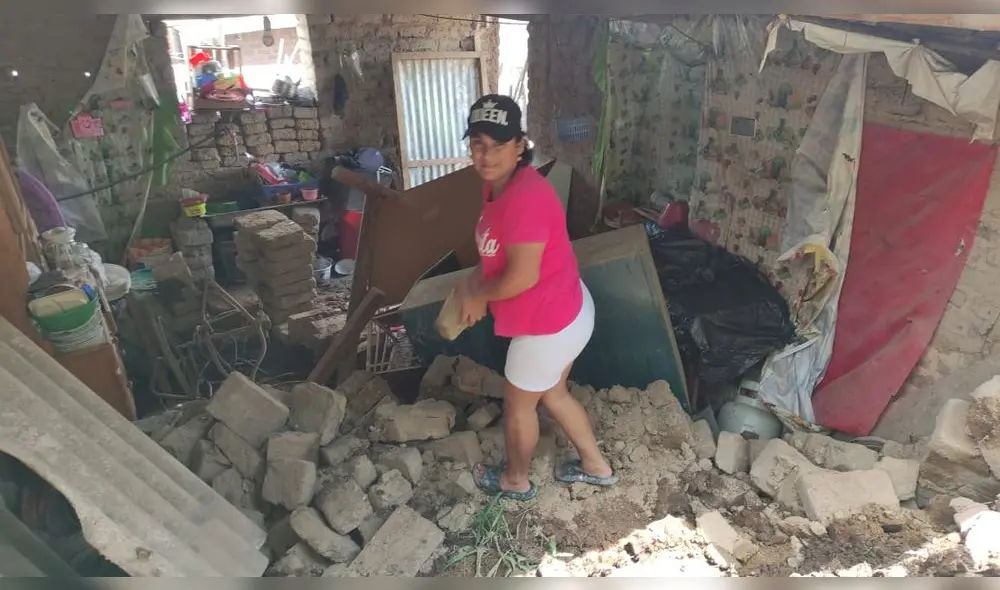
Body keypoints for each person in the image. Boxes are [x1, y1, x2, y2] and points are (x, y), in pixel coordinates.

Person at [455, 94, 617, 501]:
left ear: (519, 146)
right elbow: (497, 254)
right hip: (567, 308)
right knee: (554, 394)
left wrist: (479, 297)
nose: (486, 155)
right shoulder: (499, 187)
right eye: (478, 144)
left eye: (498, 145)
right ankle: (596, 467)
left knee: (519, 407)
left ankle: (515, 479)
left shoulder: (526, 199)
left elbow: (522, 276)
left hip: (547, 327)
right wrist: (473, 283)